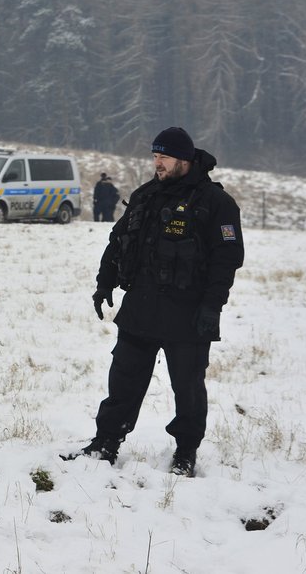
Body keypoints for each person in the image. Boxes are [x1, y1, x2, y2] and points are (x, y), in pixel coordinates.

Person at [64, 127, 244, 477]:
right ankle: (105, 443)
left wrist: (212, 307)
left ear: (185, 160)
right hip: (141, 307)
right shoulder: (147, 195)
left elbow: (227, 259)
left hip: (188, 313)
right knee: (123, 382)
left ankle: (185, 453)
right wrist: (105, 283)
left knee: (188, 389)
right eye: (155, 156)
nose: (157, 163)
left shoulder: (215, 203)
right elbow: (119, 241)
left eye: (164, 157)